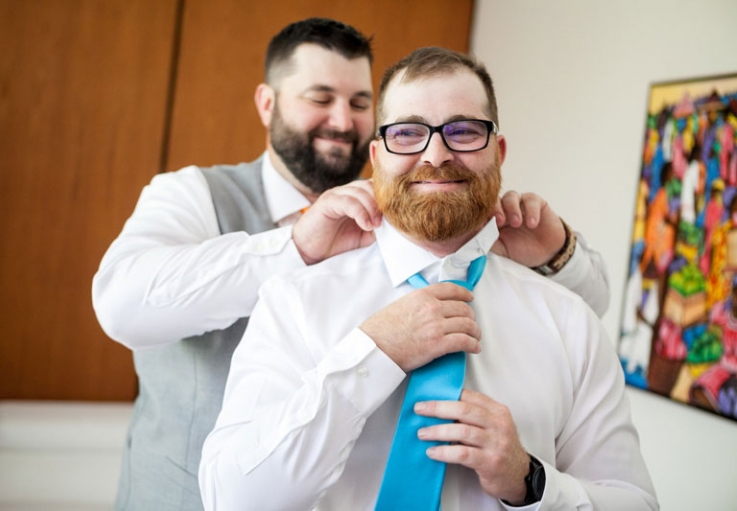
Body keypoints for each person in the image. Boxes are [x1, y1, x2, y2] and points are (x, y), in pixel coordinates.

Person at [93, 19, 609, 511]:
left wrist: (556, 256)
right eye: (320, 98)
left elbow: (578, 319)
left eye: (359, 102)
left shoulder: (433, 217)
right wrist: (297, 251)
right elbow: (121, 306)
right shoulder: (194, 197)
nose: (342, 121)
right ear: (267, 103)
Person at [199, 46, 657, 510]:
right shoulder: (295, 301)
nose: (436, 155)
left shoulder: (571, 324)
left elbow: (636, 503)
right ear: (376, 157)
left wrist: (531, 481)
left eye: (462, 131)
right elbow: (232, 498)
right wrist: (370, 356)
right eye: (407, 133)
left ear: (497, 152)